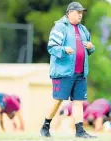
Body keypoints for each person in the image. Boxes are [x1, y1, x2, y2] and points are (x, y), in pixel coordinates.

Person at [40, 1, 96, 138]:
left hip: (80, 73)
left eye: (81, 13)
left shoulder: (83, 30)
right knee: (58, 100)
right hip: (63, 72)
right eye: (78, 12)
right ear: (69, 13)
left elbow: (90, 48)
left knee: (78, 102)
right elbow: (52, 47)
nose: (80, 15)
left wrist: (91, 47)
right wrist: (64, 50)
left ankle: (80, 132)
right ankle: (45, 127)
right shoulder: (60, 27)